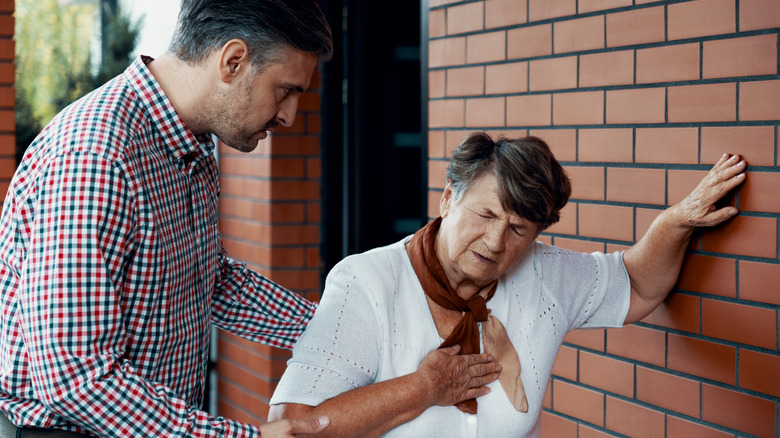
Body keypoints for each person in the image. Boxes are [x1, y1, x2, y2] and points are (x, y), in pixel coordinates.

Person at [268, 132, 748, 437]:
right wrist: (422, 388)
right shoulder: (366, 282)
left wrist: (677, 222)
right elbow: (292, 426)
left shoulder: (544, 274)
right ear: (448, 198)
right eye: (485, 214)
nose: (497, 242)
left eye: (519, 229)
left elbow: (639, 285)